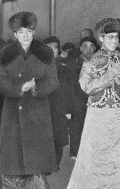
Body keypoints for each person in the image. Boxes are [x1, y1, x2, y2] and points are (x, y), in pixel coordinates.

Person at [67, 18, 120, 189]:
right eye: (110, 37)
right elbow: (86, 86)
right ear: (101, 38)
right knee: (96, 157)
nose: (114, 40)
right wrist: (108, 75)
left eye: (116, 37)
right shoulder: (90, 61)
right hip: (97, 116)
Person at [0, 12, 59, 188]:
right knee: (13, 164)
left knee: (36, 165)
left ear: (34, 32)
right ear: (14, 34)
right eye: (21, 32)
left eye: (29, 32)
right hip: (13, 113)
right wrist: (18, 88)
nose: (25, 36)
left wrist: (36, 86)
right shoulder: (5, 54)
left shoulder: (45, 53)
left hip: (37, 114)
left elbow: (53, 80)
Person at [67, 36, 97, 159]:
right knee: (77, 126)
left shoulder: (99, 62)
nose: (88, 49)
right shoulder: (73, 62)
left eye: (91, 46)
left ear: (95, 48)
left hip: (94, 98)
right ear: (80, 48)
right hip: (77, 99)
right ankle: (75, 152)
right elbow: (69, 85)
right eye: (85, 46)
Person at [43, 36, 70, 167]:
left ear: (58, 50)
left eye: (54, 47)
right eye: (48, 47)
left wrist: (68, 109)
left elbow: (69, 89)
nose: (52, 50)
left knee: (58, 137)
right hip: (43, 106)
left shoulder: (63, 68)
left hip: (58, 107)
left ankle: (55, 164)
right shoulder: (38, 67)